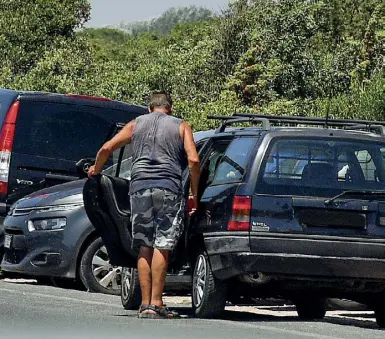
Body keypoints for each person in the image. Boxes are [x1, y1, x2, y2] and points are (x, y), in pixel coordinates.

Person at [88, 92, 200, 319]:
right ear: (170, 108)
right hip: (168, 188)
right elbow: (194, 160)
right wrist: (193, 192)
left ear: (149, 108)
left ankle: (145, 305)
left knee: (144, 245)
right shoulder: (181, 125)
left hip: (139, 188)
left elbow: (106, 148)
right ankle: (158, 303)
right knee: (162, 244)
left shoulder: (136, 124)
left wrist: (95, 171)